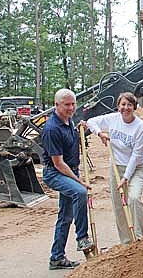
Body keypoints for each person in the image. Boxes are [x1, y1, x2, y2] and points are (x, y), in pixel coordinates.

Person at [42, 88, 93, 270]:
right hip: (55, 173)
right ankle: (82, 238)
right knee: (80, 192)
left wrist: (80, 129)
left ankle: (56, 258)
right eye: (67, 105)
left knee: (65, 216)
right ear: (56, 105)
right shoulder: (51, 129)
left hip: (70, 170)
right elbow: (58, 164)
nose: (71, 108)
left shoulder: (68, 121)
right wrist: (79, 181)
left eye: (73, 104)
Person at [86, 92, 143, 244]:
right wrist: (100, 133)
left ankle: (138, 239)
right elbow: (90, 121)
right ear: (118, 106)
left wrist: (126, 177)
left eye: (129, 105)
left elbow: (136, 155)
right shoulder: (112, 119)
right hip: (116, 167)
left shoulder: (141, 127)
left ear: (134, 107)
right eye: (123, 104)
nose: (125, 108)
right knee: (119, 205)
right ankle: (126, 242)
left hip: (136, 168)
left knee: (133, 199)